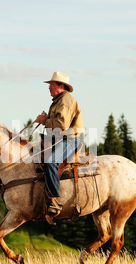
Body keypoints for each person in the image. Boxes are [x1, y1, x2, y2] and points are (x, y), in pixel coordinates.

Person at [34, 71, 85, 225]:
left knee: (50, 162)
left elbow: (62, 125)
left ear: (60, 86)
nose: (49, 88)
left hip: (70, 140)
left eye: (51, 85)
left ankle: (54, 200)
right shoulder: (58, 100)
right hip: (58, 139)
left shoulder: (66, 101)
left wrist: (44, 120)